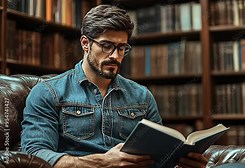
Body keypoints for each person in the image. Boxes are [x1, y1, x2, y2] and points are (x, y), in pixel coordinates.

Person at [21, 4, 208, 168]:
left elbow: (158, 158)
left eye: (121, 48)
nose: (115, 56)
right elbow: (35, 156)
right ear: (85, 43)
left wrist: (182, 163)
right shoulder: (47, 92)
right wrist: (101, 162)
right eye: (106, 46)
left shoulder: (142, 96)